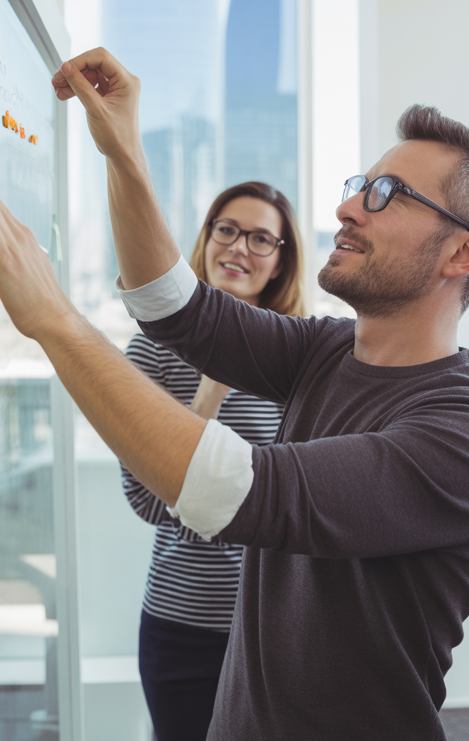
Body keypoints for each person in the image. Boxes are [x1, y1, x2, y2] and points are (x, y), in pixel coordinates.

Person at [0, 47, 469, 739]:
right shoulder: (325, 350)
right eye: (360, 185)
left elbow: (237, 491)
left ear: (464, 253)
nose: (347, 207)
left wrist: (54, 319)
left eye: (386, 194)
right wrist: (123, 150)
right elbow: (172, 306)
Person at [121, 181, 303, 741]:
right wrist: (209, 394)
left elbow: (303, 502)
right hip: (182, 623)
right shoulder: (152, 351)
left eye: (261, 238)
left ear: (280, 262)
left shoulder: (300, 358)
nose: (239, 247)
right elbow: (147, 502)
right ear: (206, 239)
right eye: (227, 229)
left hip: (277, 625)